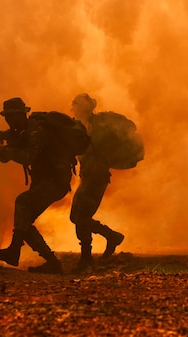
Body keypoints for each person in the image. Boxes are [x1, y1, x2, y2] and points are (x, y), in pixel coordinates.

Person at [0, 97, 88, 274]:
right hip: (45, 180)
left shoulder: (36, 130)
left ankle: (14, 251)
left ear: (21, 115)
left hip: (56, 181)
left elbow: (27, 157)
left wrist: (2, 149)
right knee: (23, 221)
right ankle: (52, 263)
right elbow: (8, 157)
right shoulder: (23, 132)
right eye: (6, 118)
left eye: (11, 117)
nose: (8, 121)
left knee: (22, 202)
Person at [69, 93, 126, 272]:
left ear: (86, 107)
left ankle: (87, 257)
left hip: (97, 176)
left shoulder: (98, 125)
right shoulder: (78, 126)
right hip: (87, 175)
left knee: (81, 217)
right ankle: (111, 236)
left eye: (77, 105)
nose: (74, 108)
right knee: (75, 217)